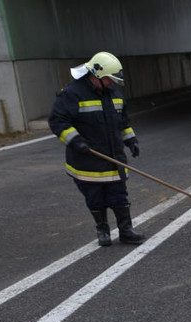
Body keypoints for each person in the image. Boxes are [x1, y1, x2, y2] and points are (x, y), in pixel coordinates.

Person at [48, 51, 144, 246]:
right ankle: (103, 230)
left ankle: (126, 231)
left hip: (114, 158)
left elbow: (123, 122)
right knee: (95, 199)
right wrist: (76, 141)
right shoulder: (72, 93)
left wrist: (131, 140)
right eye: (109, 79)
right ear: (96, 75)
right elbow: (58, 121)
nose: (111, 83)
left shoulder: (114, 94)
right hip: (87, 161)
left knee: (119, 196)